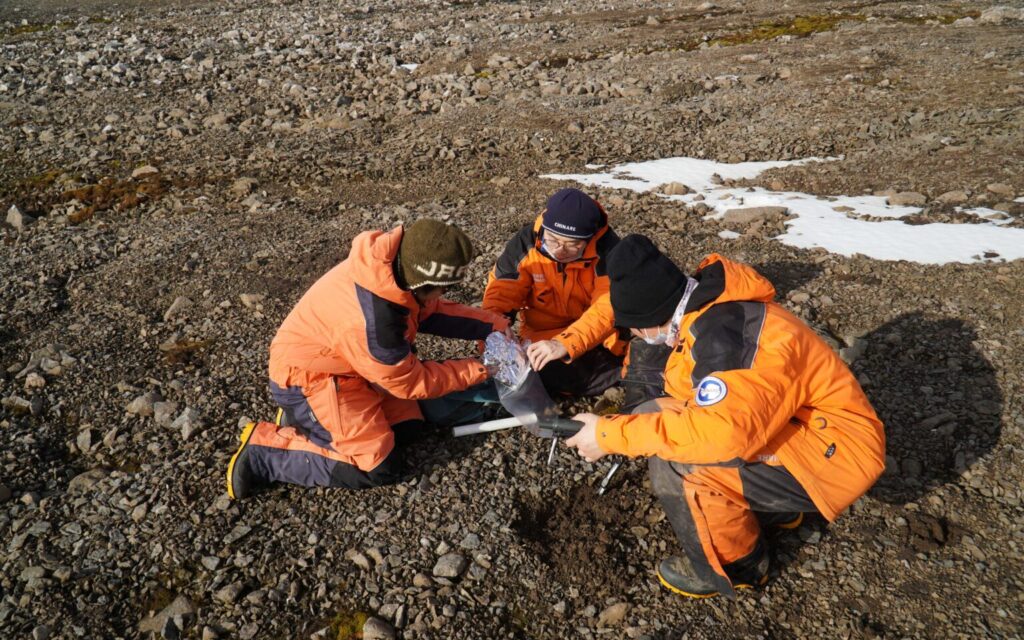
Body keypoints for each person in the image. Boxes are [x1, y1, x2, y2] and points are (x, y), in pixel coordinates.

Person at [566, 235, 885, 598]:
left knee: (681, 466)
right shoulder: (708, 312)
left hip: (838, 455)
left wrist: (608, 437)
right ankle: (773, 512)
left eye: (634, 329)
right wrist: (623, 427)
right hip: (797, 428)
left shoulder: (727, 339)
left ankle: (739, 566)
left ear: (652, 317)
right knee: (650, 414)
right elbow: (703, 399)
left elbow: (723, 435)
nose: (636, 337)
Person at [226, 219, 510, 499]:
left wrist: (493, 326)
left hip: (352, 367)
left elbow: (432, 312)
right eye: (443, 288)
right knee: (377, 465)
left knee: (408, 427)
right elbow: (411, 382)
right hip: (311, 378)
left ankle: (311, 420)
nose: (444, 295)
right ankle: (265, 452)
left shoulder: (391, 273)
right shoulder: (375, 323)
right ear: (423, 282)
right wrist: (482, 369)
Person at [482, 188, 624, 397]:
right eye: (553, 240)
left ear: (590, 239)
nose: (559, 250)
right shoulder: (525, 245)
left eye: (572, 245)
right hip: (540, 338)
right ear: (543, 229)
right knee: (534, 370)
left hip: (597, 336)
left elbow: (606, 308)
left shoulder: (609, 252)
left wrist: (564, 344)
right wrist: (494, 335)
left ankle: (617, 374)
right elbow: (500, 295)